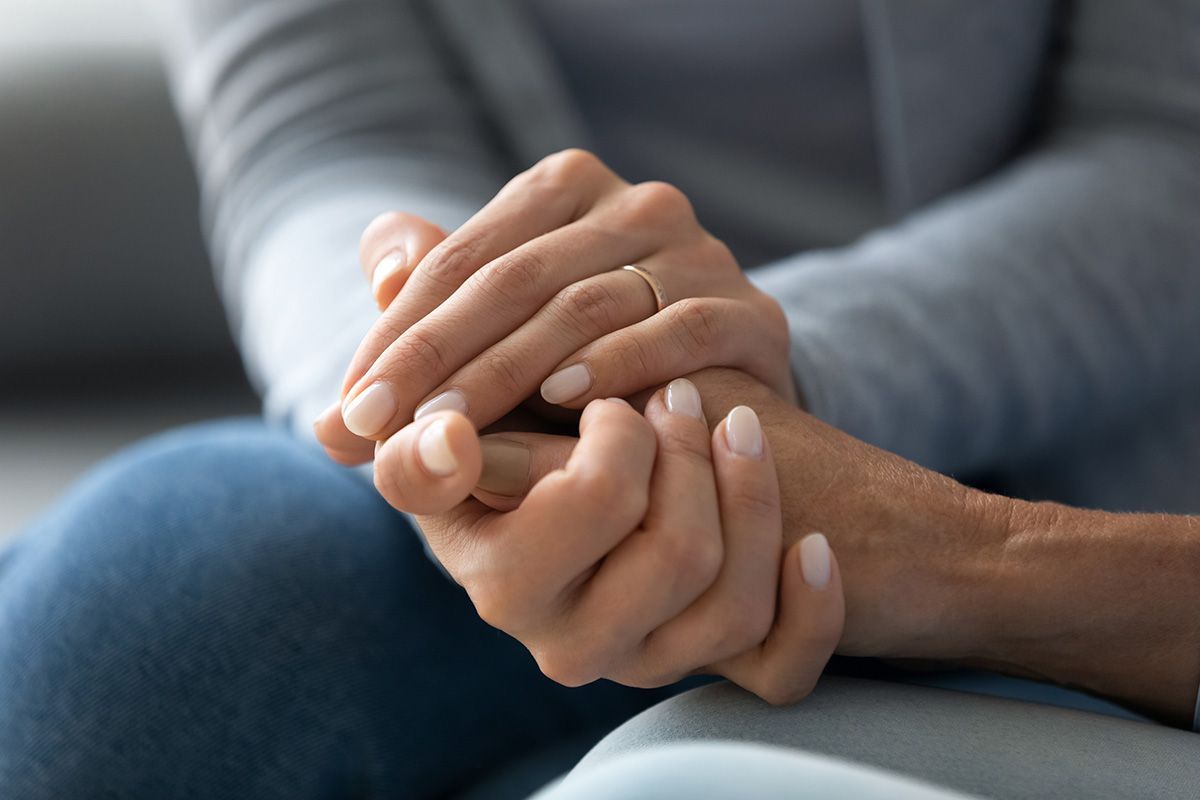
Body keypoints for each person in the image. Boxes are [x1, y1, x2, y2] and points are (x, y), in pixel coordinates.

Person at [2, 1, 1198, 798]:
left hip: (1044, 437)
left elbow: (1168, 146)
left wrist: (766, 366)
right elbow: (326, 131)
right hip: (545, 442)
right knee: (137, 623)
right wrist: (439, 400)